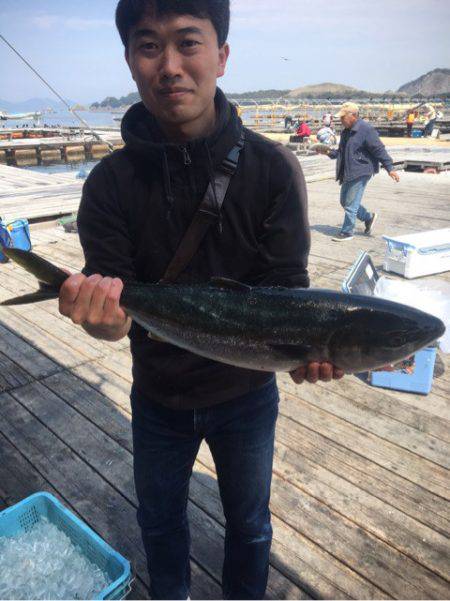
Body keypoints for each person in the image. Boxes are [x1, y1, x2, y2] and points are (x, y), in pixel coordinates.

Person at [58, 1, 344, 599]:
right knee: (159, 520)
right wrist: (102, 322)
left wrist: (308, 353)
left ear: (222, 55)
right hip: (158, 394)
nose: (169, 65)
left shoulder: (273, 169)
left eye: (188, 42)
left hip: (246, 397)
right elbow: (115, 316)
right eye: (148, 46)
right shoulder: (108, 185)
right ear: (130, 62)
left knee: (250, 525)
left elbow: (286, 292)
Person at [315, 102, 400, 242]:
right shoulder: (346, 132)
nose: (341, 120)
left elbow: (379, 150)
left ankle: (347, 232)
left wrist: (390, 168)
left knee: (351, 203)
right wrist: (327, 152)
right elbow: (340, 152)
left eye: (343, 117)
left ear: (353, 116)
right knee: (345, 201)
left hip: (361, 169)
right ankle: (368, 217)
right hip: (348, 170)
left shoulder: (366, 130)